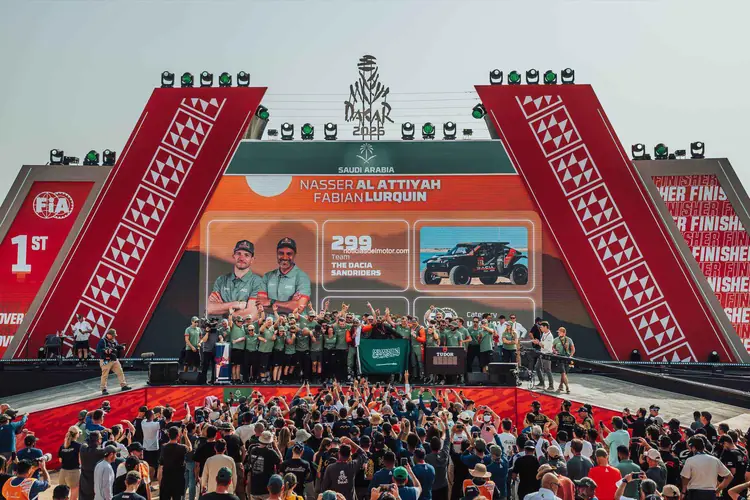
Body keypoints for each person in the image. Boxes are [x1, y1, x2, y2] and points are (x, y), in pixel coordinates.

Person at [208, 240, 263, 317]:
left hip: (245, 326)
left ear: (252, 260)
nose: (241, 258)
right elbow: (209, 309)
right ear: (233, 256)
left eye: (246, 255)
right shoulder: (221, 280)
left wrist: (223, 308)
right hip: (225, 325)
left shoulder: (258, 282)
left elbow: (251, 315)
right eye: (238, 254)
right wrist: (237, 304)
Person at [257, 238, 312, 314]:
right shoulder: (267, 276)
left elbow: (298, 308)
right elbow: (260, 306)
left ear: (295, 255)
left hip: (293, 321)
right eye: (281, 253)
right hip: (270, 321)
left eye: (289, 254)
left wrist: (271, 302)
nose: (285, 257)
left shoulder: (302, 277)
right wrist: (289, 305)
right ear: (277, 254)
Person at [246, 431, 282, 500]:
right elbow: (280, 461)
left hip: (254, 487)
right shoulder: (271, 452)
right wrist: (276, 447)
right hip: (266, 488)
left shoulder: (253, 450)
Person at [158, 427, 191, 500]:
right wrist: (185, 436)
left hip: (166, 479)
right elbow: (190, 448)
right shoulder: (182, 448)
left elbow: (161, 465)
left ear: (168, 435)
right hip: (178, 479)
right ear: (178, 435)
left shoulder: (164, 447)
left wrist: (159, 480)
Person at [96, 329, 131, 396]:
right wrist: (105, 351)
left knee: (120, 372)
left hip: (114, 359)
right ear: (108, 335)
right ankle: (104, 389)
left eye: (114, 335)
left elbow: (115, 347)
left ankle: (123, 385)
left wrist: (121, 347)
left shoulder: (114, 340)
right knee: (105, 375)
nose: (114, 337)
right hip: (106, 360)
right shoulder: (102, 341)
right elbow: (98, 350)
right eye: (112, 335)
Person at [80, 432, 107, 500]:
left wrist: (94, 434)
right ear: (98, 440)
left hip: (84, 481)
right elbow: (112, 449)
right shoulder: (101, 452)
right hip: (95, 482)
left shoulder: (83, 448)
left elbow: (85, 441)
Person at [59, 426, 83, 500]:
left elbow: (60, 460)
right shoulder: (79, 446)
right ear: (77, 434)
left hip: (63, 472)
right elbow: (80, 461)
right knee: (74, 496)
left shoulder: (63, 446)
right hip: (74, 472)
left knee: (62, 495)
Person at [551, 327, 575, 394]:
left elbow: (573, 349)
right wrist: (555, 351)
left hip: (567, 358)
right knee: (563, 372)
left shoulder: (569, 339)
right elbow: (552, 347)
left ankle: (560, 386)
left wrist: (571, 356)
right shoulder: (556, 340)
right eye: (558, 332)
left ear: (564, 333)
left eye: (559, 332)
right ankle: (567, 387)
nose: (558, 333)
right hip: (559, 358)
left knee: (564, 373)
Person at [533, 321, 554, 391]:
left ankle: (551, 386)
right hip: (542, 353)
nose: (540, 328)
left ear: (545, 327)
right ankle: (542, 383)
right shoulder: (544, 334)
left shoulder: (550, 336)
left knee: (547, 370)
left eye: (541, 327)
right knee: (537, 367)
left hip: (547, 354)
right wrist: (538, 342)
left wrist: (538, 343)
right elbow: (542, 343)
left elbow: (545, 346)